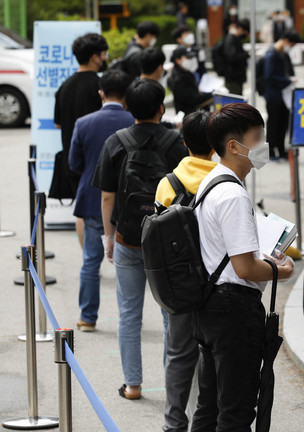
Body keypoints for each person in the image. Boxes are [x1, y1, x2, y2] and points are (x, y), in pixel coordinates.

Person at [191, 103, 294, 431]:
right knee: (235, 412)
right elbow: (246, 268)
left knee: (210, 407)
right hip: (233, 312)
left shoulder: (211, 183)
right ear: (234, 146)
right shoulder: (233, 195)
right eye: (257, 138)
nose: (263, 145)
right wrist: (280, 270)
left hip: (209, 307)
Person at [92, 79, 186, 400]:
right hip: (166, 243)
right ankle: (174, 386)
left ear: (128, 108)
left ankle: (133, 385)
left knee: (129, 314)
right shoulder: (176, 142)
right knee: (168, 315)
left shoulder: (116, 142)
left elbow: (107, 197)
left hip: (127, 238)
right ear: (161, 107)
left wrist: (108, 237)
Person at [155, 111, 217, 432]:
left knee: (179, 354)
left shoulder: (168, 183)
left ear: (184, 142)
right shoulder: (224, 180)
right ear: (217, 143)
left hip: (180, 285)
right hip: (218, 284)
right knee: (216, 355)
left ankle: (174, 422)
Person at [68, 69, 134, 333]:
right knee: (130, 264)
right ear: (127, 95)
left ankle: (87, 317)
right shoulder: (135, 121)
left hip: (93, 198)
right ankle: (129, 319)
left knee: (90, 260)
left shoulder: (83, 123)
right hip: (130, 202)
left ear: (100, 93)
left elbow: (74, 163)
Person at [53, 32, 108, 245]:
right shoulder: (101, 86)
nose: (105, 58)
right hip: (98, 158)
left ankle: (88, 260)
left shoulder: (64, 86)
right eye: (103, 54)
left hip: (72, 157)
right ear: (95, 57)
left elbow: (58, 123)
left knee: (82, 212)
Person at [263, 31, 299, 159]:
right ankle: (271, 151)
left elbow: (289, 71)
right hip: (273, 95)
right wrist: (288, 80)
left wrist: (290, 79)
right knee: (273, 123)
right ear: (285, 40)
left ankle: (281, 148)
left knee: (283, 123)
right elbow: (269, 76)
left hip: (285, 94)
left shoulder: (284, 55)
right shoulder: (271, 55)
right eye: (291, 44)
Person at [168, 46, 213, 115]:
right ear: (177, 60)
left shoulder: (187, 72)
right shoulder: (178, 79)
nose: (192, 60)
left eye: (192, 57)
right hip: (189, 117)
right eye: (188, 58)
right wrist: (212, 94)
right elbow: (192, 99)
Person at [222, 20, 250, 95]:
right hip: (233, 78)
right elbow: (232, 57)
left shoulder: (235, 39)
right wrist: (246, 54)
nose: (245, 35)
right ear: (240, 29)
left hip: (236, 77)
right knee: (235, 101)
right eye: (245, 32)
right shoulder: (231, 39)